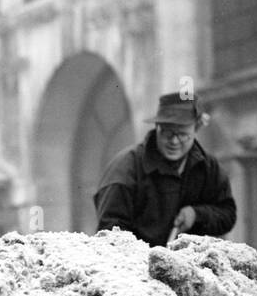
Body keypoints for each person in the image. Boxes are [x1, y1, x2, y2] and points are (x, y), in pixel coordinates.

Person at [94, 92, 236, 246]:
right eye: (167, 133)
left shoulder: (208, 168)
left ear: (196, 129)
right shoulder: (125, 169)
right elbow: (110, 234)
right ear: (157, 127)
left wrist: (197, 214)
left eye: (182, 135)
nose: (174, 141)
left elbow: (227, 215)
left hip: (189, 265)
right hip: (136, 264)